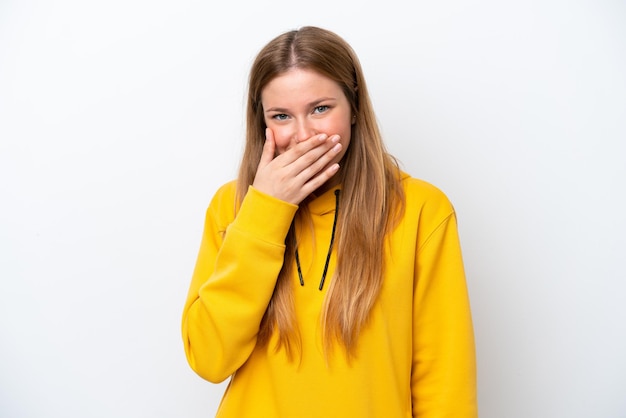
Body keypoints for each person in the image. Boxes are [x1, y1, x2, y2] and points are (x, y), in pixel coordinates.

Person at [182, 26, 477, 417]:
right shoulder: (232, 207)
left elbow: (445, 383)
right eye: (282, 116)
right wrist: (266, 211)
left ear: (354, 107)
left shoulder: (421, 210)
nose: (304, 135)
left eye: (320, 109)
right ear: (263, 124)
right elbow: (208, 358)